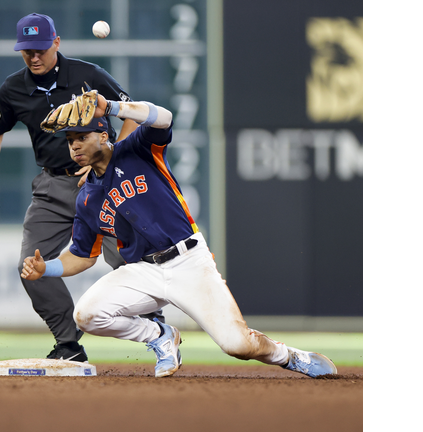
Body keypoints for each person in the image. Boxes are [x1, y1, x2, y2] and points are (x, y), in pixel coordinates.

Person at [21, 91, 338, 378]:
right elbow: (81, 254)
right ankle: (159, 335)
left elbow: (164, 118)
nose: (73, 145)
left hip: (188, 261)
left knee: (237, 345)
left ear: (103, 135)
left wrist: (114, 106)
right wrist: (46, 268)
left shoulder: (137, 150)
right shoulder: (87, 198)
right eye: (69, 140)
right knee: (87, 315)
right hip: (143, 270)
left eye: (81, 136)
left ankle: (290, 356)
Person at [0, 12, 163, 362]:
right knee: (31, 266)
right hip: (52, 185)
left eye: (41, 48)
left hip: (101, 181)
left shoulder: (87, 75)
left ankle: (155, 325)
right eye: (27, 50)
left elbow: (133, 114)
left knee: (125, 256)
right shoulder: (14, 88)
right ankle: (68, 344)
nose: (34, 56)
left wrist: (110, 159)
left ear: (56, 43)